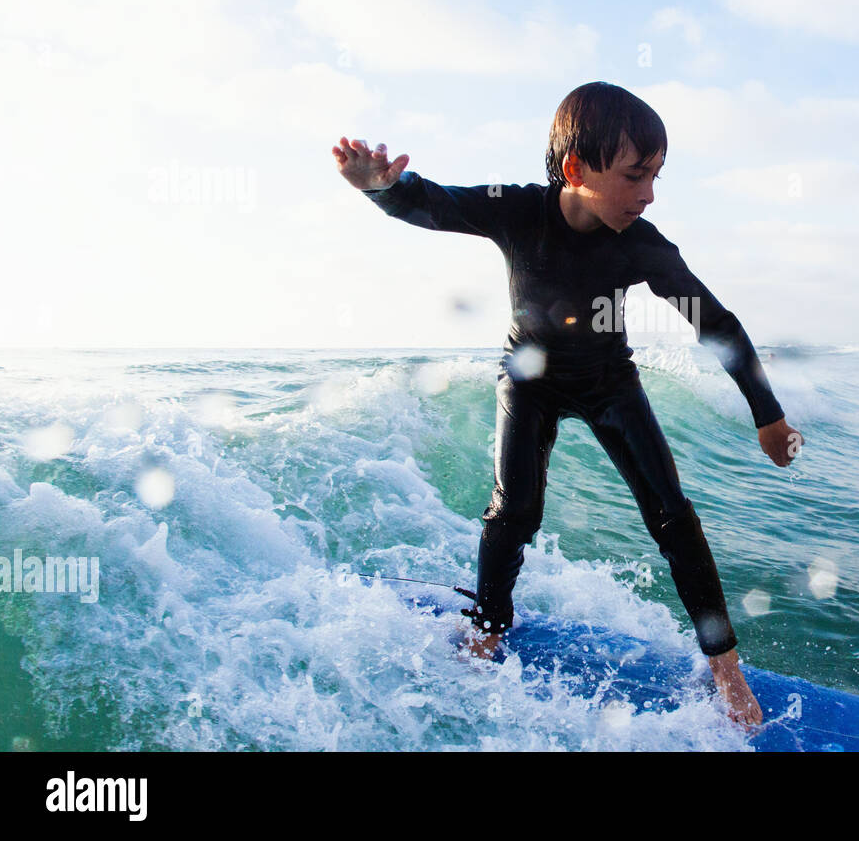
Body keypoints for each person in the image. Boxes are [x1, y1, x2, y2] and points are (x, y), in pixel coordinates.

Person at [332, 82, 803, 728]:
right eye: (637, 175)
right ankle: (490, 626)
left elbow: (714, 322)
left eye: (657, 175)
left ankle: (725, 669)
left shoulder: (642, 244)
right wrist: (381, 188)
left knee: (672, 515)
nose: (650, 193)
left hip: (609, 381)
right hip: (529, 377)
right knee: (514, 510)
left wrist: (766, 414)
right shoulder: (518, 211)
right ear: (577, 170)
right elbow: (437, 204)